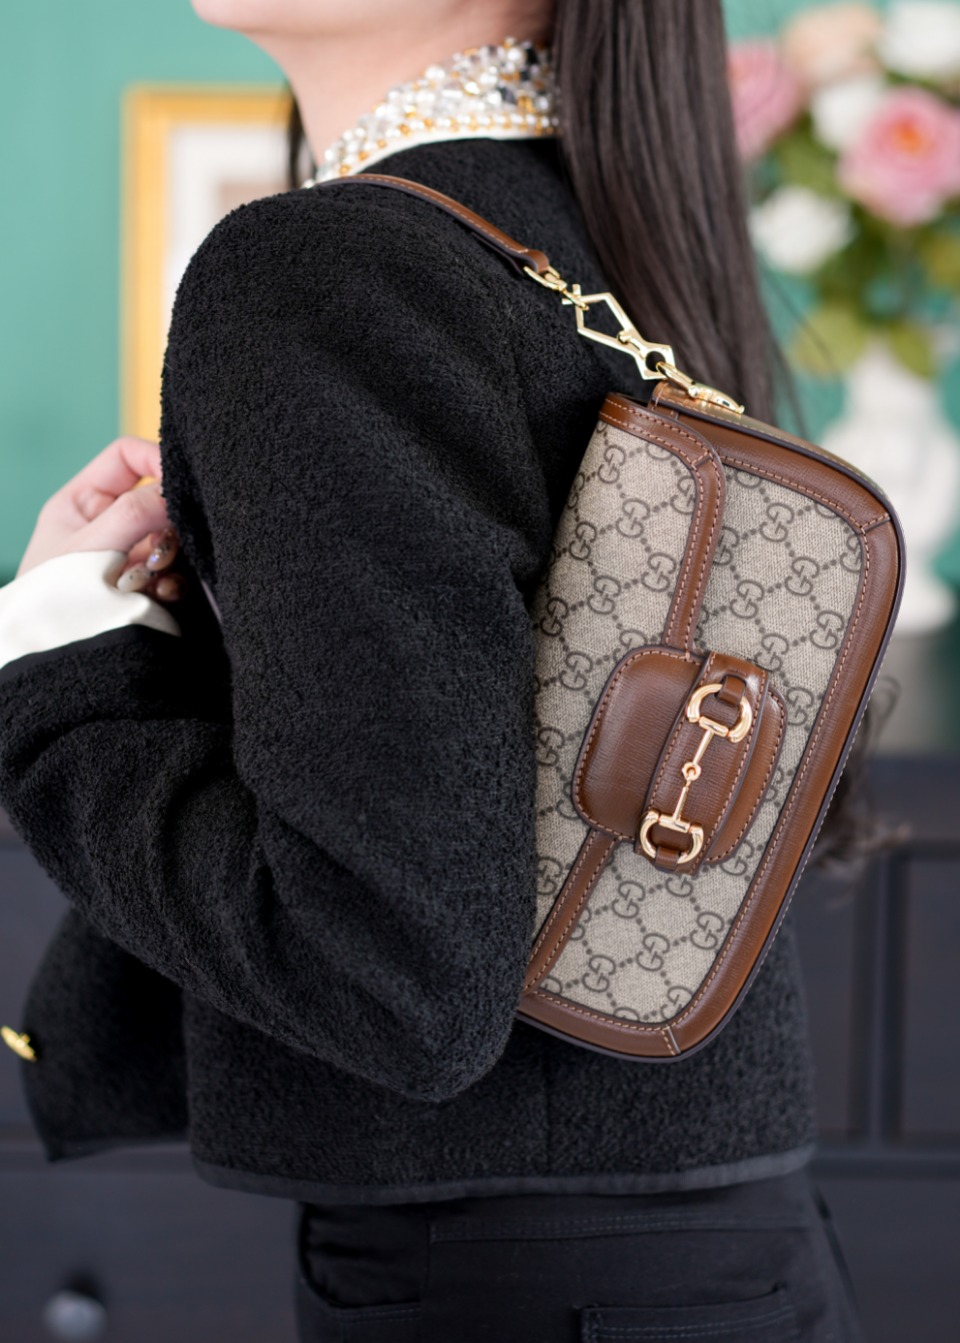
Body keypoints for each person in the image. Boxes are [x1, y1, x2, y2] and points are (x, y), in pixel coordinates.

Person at [0, 1, 864, 1339]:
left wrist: (57, 668)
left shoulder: (331, 264)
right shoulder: (596, 220)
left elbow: (392, 978)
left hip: (512, 1276)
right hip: (697, 1239)